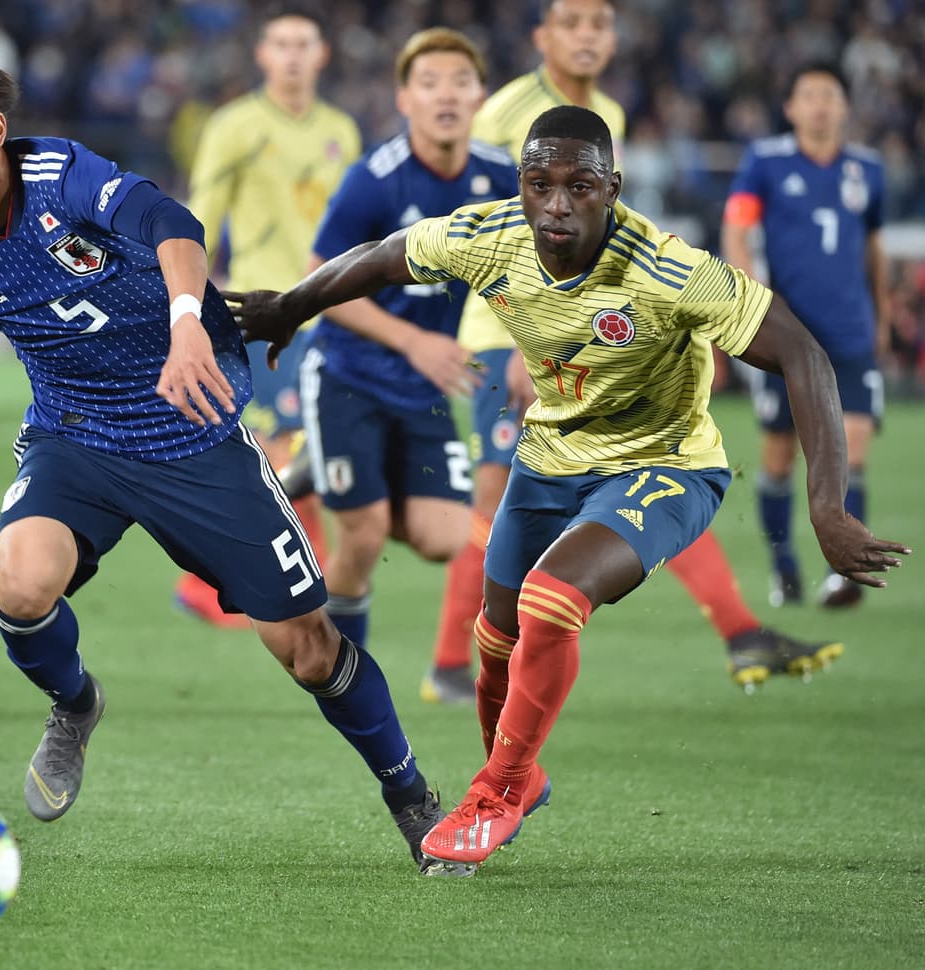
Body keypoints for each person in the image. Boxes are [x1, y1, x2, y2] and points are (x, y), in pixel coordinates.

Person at [0, 38, 453, 871]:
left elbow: (173, 223)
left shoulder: (60, 174)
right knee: (20, 583)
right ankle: (75, 703)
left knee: (307, 649)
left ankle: (410, 793)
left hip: (191, 429)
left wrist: (188, 324)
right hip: (75, 438)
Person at [228, 105, 908, 872]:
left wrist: (827, 504)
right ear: (520, 183)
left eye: (579, 186)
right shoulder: (491, 238)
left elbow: (803, 354)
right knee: (496, 641)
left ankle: (499, 789)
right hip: (550, 456)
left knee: (552, 601)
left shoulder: (667, 270)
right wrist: (290, 305)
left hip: (665, 463)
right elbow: (385, 256)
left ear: (611, 188)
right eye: (538, 182)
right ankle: (519, 775)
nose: (556, 203)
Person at [426, 0, 840, 702]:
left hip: (582, 341)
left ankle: (740, 633)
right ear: (542, 36)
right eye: (572, 23)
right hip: (511, 340)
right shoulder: (506, 113)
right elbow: (495, 233)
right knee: (502, 500)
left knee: (644, 472)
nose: (587, 36)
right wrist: (527, 351)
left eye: (599, 24)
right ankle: (448, 664)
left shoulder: (606, 116)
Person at [298, 28, 516, 655]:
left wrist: (530, 346)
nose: (445, 95)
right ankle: (341, 672)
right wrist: (414, 341)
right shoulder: (374, 179)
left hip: (421, 388)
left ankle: (334, 468)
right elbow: (318, 285)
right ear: (405, 99)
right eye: (429, 83)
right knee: (361, 538)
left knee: (447, 537)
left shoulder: (502, 179)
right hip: (349, 375)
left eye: (459, 82)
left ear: (481, 96)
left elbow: (530, 271)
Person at [177, 4, 361, 627]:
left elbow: (356, 229)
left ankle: (253, 582)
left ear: (321, 54)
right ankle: (256, 586)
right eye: (279, 43)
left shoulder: (342, 130)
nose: (291, 54)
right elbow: (197, 216)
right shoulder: (234, 125)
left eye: (302, 43)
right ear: (262, 55)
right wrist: (200, 298)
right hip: (259, 309)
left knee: (312, 450)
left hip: (328, 312)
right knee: (280, 448)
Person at [721, 62, 889, 610]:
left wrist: (882, 314)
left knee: (852, 451)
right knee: (778, 458)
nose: (820, 105)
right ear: (791, 107)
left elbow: (874, 250)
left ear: (844, 107)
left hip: (851, 334)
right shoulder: (765, 162)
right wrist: (749, 299)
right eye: (809, 94)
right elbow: (737, 230)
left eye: (830, 95)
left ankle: (844, 574)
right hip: (786, 338)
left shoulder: (868, 169)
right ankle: (784, 567)